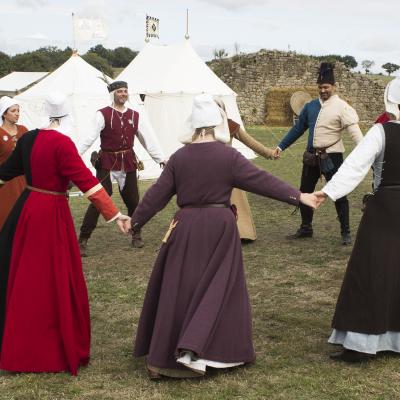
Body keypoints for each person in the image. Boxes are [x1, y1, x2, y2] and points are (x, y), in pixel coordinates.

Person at [131, 94, 317, 379]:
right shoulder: (228, 157)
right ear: (216, 122)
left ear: (193, 123)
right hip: (219, 228)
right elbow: (263, 181)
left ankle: (168, 356)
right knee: (220, 288)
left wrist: (135, 220)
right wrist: (299, 196)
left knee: (181, 287)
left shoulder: (179, 157)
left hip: (186, 227)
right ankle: (204, 351)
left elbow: (156, 195)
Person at [0, 92, 131, 375]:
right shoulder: (62, 143)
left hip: (27, 209)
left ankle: (19, 343)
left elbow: (6, 172)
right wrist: (115, 213)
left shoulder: (28, 138)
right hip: (51, 213)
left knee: (26, 275)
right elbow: (87, 182)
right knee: (52, 276)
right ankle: (45, 346)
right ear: (67, 115)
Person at [314, 77, 400, 362]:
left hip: (385, 210)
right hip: (386, 208)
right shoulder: (381, 131)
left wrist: (328, 191)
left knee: (372, 270)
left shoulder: (381, 132)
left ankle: (362, 344)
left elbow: (355, 165)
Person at [273, 63, 363, 245]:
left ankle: (345, 232)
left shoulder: (342, 107)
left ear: (334, 87)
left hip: (333, 157)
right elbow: (298, 129)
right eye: (320, 87)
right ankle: (306, 227)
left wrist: (365, 150)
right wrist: (281, 146)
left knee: (339, 192)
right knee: (305, 192)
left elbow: (354, 132)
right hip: (311, 157)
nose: (323, 90)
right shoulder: (311, 106)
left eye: (326, 87)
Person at [77, 81, 166, 255]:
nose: (123, 94)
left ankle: (136, 233)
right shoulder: (102, 114)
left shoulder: (134, 115)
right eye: (119, 91)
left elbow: (146, 139)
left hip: (128, 161)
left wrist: (160, 159)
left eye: (125, 91)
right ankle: (83, 239)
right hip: (107, 162)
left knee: (133, 201)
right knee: (99, 199)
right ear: (113, 94)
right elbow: (89, 138)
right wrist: (73, 155)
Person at [214, 98, 275, 241]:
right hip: (210, 173)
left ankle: (242, 233)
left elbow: (250, 141)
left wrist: (269, 153)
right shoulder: (203, 128)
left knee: (235, 203)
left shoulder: (230, 125)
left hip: (228, 170)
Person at [0, 97, 28, 231]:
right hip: (5, 184)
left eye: (18, 110)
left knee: (24, 216)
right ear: (4, 114)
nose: (17, 113)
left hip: (24, 180)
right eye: (13, 111)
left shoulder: (24, 130)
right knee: (6, 216)